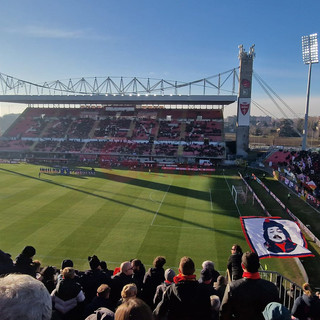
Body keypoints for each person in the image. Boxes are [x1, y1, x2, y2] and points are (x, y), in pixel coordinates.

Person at [219, 251, 279, 320]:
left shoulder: (232, 287)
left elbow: (224, 314)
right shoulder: (271, 287)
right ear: (258, 266)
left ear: (242, 266)